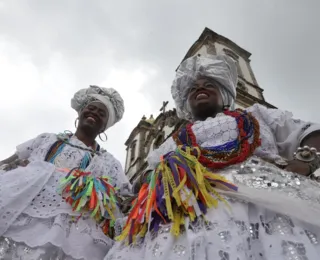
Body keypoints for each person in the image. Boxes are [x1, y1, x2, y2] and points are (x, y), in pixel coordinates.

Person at [105, 55, 320, 260]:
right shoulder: (175, 140)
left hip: (271, 206)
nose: (199, 88)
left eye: (208, 84)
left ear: (224, 93)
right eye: (192, 89)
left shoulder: (255, 115)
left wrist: (305, 161)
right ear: (186, 104)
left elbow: (308, 131)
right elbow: (148, 178)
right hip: (191, 218)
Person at [0, 85, 130, 260]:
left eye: (101, 113)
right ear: (80, 112)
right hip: (27, 212)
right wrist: (18, 165)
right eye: (91, 108)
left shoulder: (109, 162)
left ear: (104, 127)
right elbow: (9, 161)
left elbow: (125, 196)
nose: (94, 112)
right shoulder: (47, 139)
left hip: (73, 229)